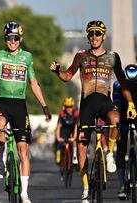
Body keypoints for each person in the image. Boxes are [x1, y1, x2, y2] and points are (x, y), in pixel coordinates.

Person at [49, 20, 137, 203]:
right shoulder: (81, 56)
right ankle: (86, 187)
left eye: (98, 33)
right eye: (91, 34)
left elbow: (123, 82)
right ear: (88, 38)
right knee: (81, 145)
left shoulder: (113, 57)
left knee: (115, 118)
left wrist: (130, 103)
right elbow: (67, 76)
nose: (94, 37)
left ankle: (110, 154)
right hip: (87, 104)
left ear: (104, 36)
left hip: (105, 101)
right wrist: (58, 71)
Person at [0, 16, 51, 203]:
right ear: (5, 39)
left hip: (20, 105)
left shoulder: (27, 58)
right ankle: (0, 155)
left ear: (20, 39)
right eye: (9, 38)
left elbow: (33, 82)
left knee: (23, 149)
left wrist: (44, 105)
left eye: (15, 38)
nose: (12, 41)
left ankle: (24, 192)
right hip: (3, 103)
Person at [113, 64, 137, 200]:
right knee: (121, 147)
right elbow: (115, 106)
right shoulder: (117, 85)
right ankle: (122, 184)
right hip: (122, 115)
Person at [55, 97, 79, 179]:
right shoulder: (62, 113)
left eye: (70, 106)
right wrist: (58, 137)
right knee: (59, 144)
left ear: (73, 106)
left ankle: (75, 157)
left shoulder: (76, 113)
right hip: (64, 130)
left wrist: (75, 137)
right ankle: (60, 159)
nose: (69, 109)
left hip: (72, 130)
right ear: (65, 107)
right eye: (67, 107)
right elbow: (58, 126)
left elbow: (76, 126)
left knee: (75, 141)